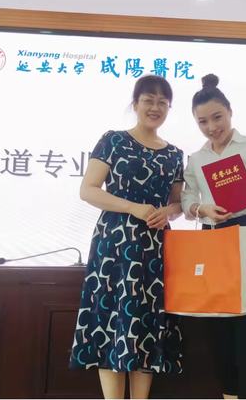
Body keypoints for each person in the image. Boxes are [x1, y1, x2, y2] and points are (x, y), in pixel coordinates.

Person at [69, 75, 184, 399]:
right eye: (148, 100)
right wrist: (133, 207)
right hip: (114, 245)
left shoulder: (175, 154)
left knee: (146, 322)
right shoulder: (113, 140)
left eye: (163, 102)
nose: (155, 107)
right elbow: (88, 190)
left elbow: (179, 203)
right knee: (111, 321)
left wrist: (168, 211)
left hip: (155, 247)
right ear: (135, 104)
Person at [181, 74, 246, 399]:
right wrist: (202, 209)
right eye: (203, 122)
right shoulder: (197, 159)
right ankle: (229, 395)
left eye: (217, 117)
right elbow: (186, 201)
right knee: (217, 330)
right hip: (212, 240)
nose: (212, 127)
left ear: (230, 112)